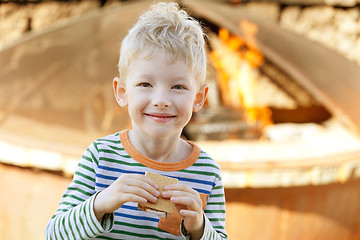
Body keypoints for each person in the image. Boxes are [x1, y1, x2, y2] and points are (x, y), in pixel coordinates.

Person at [45, 2, 227, 239]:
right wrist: (101, 203)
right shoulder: (100, 156)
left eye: (178, 87)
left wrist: (200, 227)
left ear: (199, 98)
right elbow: (54, 234)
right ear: (122, 92)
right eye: (145, 84)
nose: (161, 100)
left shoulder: (207, 172)